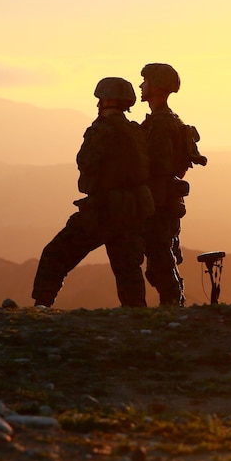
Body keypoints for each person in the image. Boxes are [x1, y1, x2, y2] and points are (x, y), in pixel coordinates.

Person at [32, 77, 155, 308]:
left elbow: (86, 163)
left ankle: (42, 306)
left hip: (102, 211)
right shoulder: (136, 131)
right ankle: (137, 316)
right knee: (128, 269)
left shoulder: (100, 130)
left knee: (56, 254)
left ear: (105, 100)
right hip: (132, 211)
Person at [139, 63, 207, 307]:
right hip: (165, 200)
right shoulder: (170, 121)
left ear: (156, 88)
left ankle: (173, 307)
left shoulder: (160, 124)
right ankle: (173, 305)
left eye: (145, 81)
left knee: (160, 260)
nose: (141, 86)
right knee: (160, 260)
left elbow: (159, 166)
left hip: (157, 201)